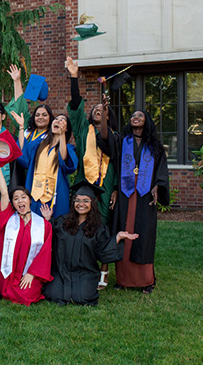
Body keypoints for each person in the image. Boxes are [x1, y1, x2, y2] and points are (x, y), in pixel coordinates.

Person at [66, 56, 119, 289]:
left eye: (102, 109)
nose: (98, 110)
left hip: (106, 188)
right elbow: (76, 105)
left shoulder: (114, 137)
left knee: (104, 226)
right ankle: (82, 266)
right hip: (83, 184)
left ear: (108, 114)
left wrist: (115, 188)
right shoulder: (82, 130)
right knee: (81, 224)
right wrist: (74, 77)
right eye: (95, 109)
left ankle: (104, 272)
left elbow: (118, 164)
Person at [43, 182, 139, 306]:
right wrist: (48, 220)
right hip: (62, 271)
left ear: (92, 203)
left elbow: (102, 250)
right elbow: (49, 238)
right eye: (77, 200)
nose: (81, 204)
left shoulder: (98, 228)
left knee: (83, 297)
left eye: (85, 201)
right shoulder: (62, 222)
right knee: (53, 294)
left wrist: (118, 237)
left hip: (85, 272)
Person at [113, 110, 170, 293]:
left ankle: (146, 280)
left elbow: (161, 171)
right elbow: (114, 165)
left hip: (144, 195)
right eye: (132, 116)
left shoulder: (155, 146)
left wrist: (157, 187)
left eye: (140, 115)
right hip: (125, 193)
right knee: (124, 229)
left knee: (143, 234)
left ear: (147, 121)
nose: (135, 118)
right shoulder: (122, 143)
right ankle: (123, 279)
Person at [0, 157, 53, 306]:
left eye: (23, 197)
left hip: (30, 274)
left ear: (29, 200)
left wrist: (32, 274)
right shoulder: (8, 220)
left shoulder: (43, 225)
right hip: (9, 276)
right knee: (8, 294)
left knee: (27, 296)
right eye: (16, 199)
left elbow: (45, 253)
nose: (20, 201)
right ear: (13, 203)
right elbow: (4, 193)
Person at [13, 112, 77, 216]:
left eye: (62, 120)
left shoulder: (68, 148)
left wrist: (62, 135)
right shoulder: (39, 145)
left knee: (53, 227)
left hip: (54, 197)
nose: (58, 121)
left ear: (66, 128)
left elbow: (64, 159)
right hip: (34, 195)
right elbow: (24, 153)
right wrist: (21, 127)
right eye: (56, 119)